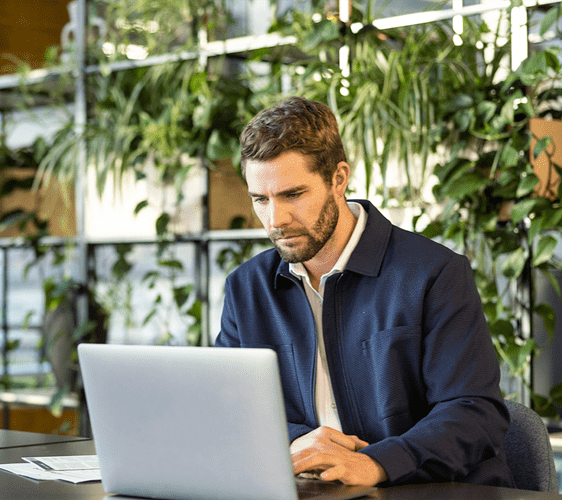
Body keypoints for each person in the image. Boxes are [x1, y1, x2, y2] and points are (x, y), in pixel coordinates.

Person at [216, 96, 513, 488]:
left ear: (339, 179)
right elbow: (230, 409)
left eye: (293, 195)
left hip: (427, 490)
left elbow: (475, 413)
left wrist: (376, 463)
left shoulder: (434, 274)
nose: (276, 220)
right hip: (313, 491)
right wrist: (298, 446)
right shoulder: (246, 288)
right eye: (260, 200)